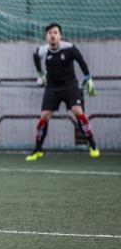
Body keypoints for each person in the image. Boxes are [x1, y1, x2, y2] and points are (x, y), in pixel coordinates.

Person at [26, 23, 99, 161]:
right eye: (50, 33)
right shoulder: (42, 51)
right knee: (44, 117)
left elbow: (81, 61)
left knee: (78, 111)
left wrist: (88, 78)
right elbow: (35, 56)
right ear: (46, 36)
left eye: (55, 32)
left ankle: (92, 144)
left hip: (70, 86)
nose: (52, 35)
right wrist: (40, 74)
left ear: (60, 35)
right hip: (52, 88)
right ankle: (37, 149)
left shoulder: (69, 48)